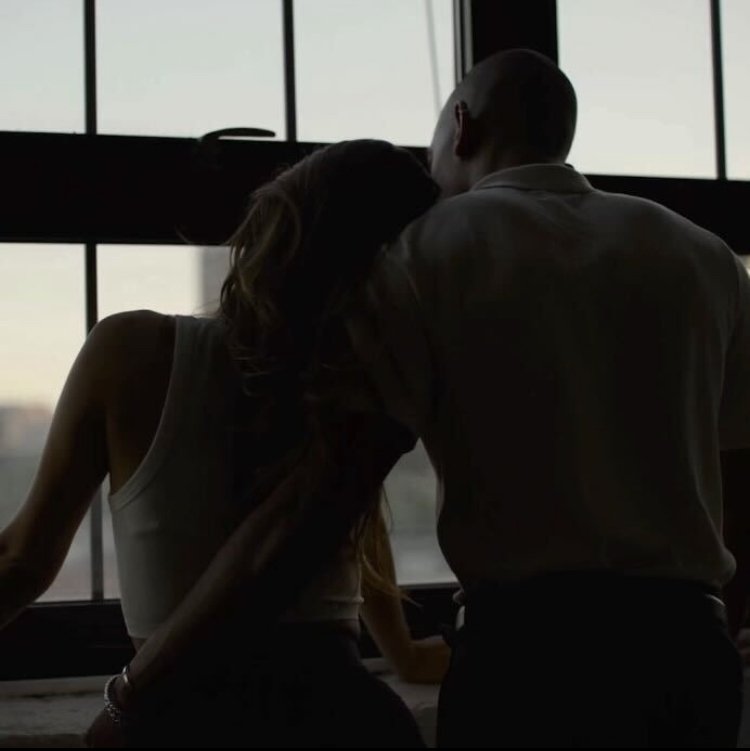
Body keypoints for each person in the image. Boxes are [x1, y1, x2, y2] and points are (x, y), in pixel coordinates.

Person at [85, 49, 750, 749]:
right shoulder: (706, 257)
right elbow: (742, 492)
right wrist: (716, 629)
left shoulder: (421, 256)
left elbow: (318, 504)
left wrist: (135, 693)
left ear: (460, 124)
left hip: (530, 664)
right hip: (691, 661)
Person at [0, 139, 446, 747]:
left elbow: (22, 560)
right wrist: (401, 649)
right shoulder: (361, 385)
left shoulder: (131, 352)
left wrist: (128, 700)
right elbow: (335, 513)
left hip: (184, 718)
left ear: (269, 228)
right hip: (348, 718)